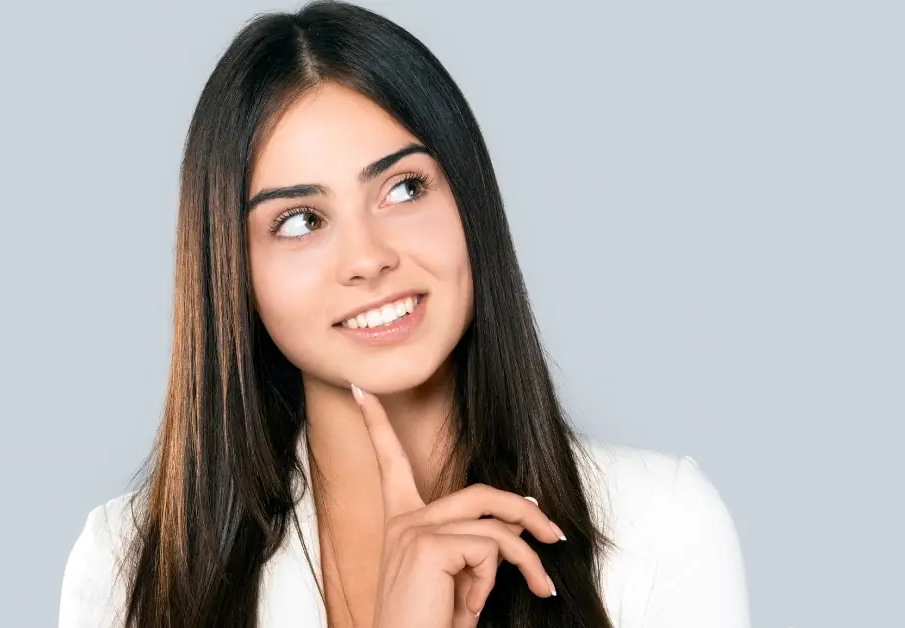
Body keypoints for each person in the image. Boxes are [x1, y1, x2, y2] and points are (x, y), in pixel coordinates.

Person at [58, 2, 750, 626]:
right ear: (233, 270)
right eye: (300, 220)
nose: (367, 258)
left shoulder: (659, 529)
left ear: (468, 199)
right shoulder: (128, 570)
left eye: (404, 187)